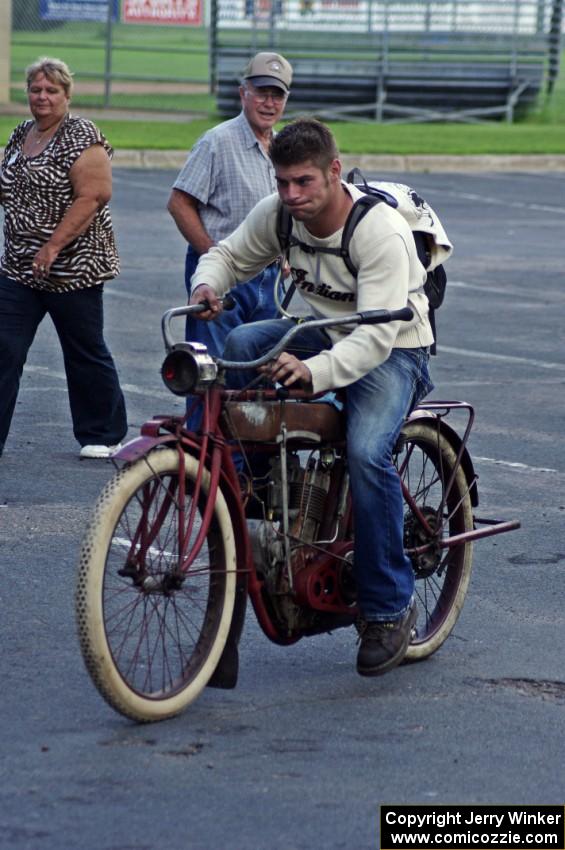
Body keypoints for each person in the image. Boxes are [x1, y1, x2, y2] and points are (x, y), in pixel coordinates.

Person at [189, 118, 436, 678]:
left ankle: (388, 607)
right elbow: (227, 256)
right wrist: (207, 285)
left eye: (304, 182)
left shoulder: (379, 232)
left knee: (367, 453)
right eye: (282, 183)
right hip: (324, 333)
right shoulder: (279, 216)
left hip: (396, 349)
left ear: (332, 171)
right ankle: (259, 486)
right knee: (243, 341)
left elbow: (373, 337)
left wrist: (314, 371)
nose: (292, 196)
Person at [0, 57, 128, 460]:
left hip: (72, 268)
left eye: (51, 90)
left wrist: (53, 245)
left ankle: (103, 433)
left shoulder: (80, 135)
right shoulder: (22, 133)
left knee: (84, 348)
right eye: (36, 89)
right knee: (4, 347)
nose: (42, 97)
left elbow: (95, 194)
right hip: (19, 267)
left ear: (67, 95)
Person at [167, 51, 293, 418]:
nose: (269, 102)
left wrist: (289, 255)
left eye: (278, 95)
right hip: (223, 280)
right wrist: (213, 255)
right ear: (243, 94)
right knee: (212, 376)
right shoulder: (217, 141)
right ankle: (202, 468)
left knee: (261, 377)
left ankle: (249, 471)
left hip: (270, 281)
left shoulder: (285, 148)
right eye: (262, 92)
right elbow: (179, 203)